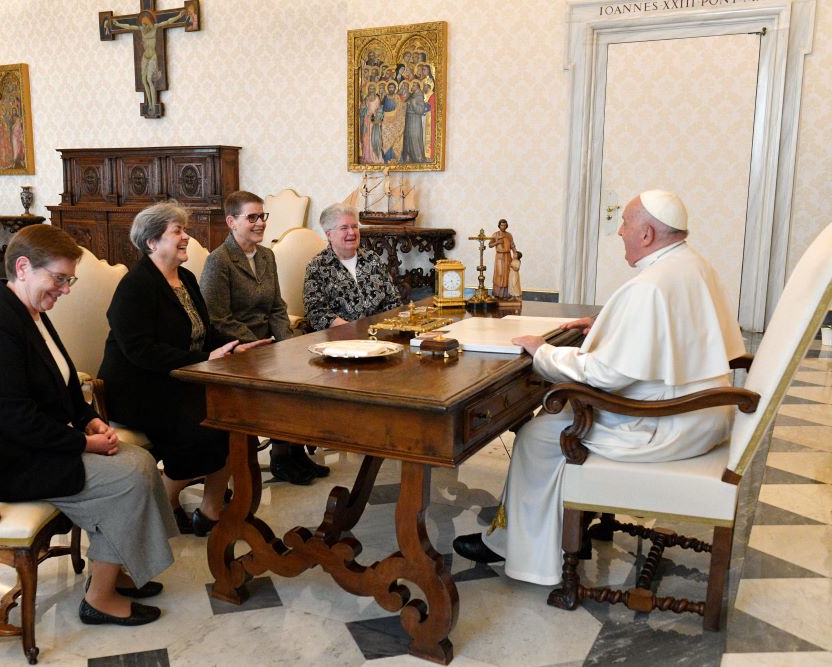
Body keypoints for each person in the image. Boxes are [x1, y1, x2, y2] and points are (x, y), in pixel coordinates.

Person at [453, 190, 746, 586]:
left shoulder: (650, 285)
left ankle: (519, 550)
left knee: (539, 434)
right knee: (552, 420)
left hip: (663, 425)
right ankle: (564, 529)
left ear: (646, 234)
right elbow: (676, 333)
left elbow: (607, 375)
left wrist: (543, 352)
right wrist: (608, 324)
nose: (620, 232)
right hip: (701, 415)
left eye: (625, 224)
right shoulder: (692, 264)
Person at [0, 224, 172, 627]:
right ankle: (99, 599)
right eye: (58, 278)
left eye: (69, 280)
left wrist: (89, 420)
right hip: (2, 460)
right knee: (129, 476)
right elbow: (14, 419)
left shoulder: (29, 311)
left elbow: (65, 382)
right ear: (23, 268)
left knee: (139, 458)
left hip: (33, 444)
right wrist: (82, 444)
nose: (65, 289)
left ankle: (118, 568)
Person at [98, 202, 271, 536]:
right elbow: (140, 351)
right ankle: (162, 503)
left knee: (234, 416)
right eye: (177, 231)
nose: (186, 237)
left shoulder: (186, 278)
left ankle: (210, 510)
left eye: (184, 230)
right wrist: (204, 360)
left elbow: (204, 330)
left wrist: (235, 345)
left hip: (182, 379)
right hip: (138, 387)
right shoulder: (135, 286)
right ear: (151, 242)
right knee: (204, 426)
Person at [200, 191, 327, 485]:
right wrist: (259, 345)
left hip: (267, 343)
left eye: (262, 216)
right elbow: (217, 318)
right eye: (252, 217)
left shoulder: (267, 256)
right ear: (232, 222)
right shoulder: (219, 261)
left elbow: (276, 307)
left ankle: (294, 451)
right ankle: (281, 456)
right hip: (237, 348)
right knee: (279, 383)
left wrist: (286, 343)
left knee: (304, 369)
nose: (260, 223)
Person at [304, 203, 401, 331]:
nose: (352, 232)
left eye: (355, 227)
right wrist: (354, 330)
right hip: (342, 339)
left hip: (381, 332)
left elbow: (393, 301)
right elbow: (316, 313)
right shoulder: (317, 266)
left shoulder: (372, 259)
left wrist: (387, 328)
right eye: (344, 228)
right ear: (329, 235)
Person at [489, 219, 517, 299]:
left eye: (505, 225)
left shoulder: (509, 235)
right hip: (499, 256)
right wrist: (497, 242)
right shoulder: (495, 234)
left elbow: (512, 245)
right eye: (502, 225)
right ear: (499, 225)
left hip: (508, 256)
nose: (503, 227)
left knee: (508, 274)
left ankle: (507, 294)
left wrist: (515, 253)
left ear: (506, 226)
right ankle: (497, 294)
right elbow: (490, 245)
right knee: (500, 274)